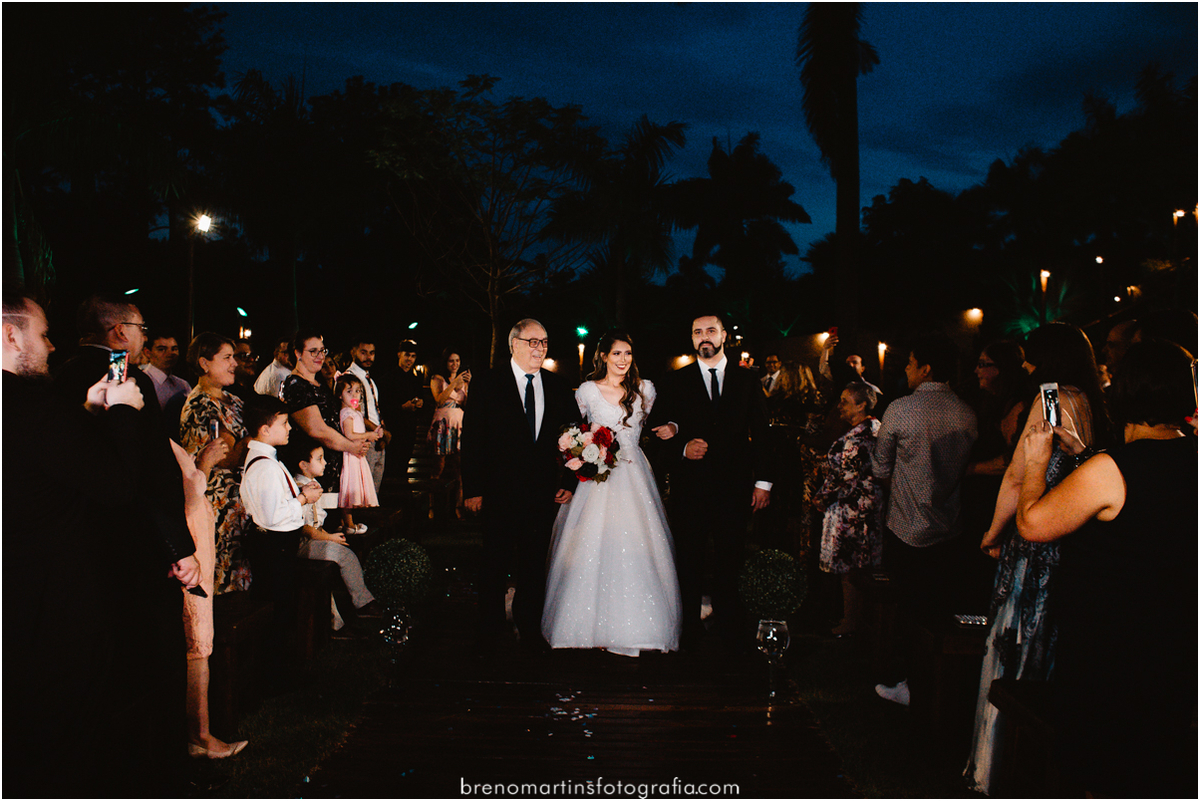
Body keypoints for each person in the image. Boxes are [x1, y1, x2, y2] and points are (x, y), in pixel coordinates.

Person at [1014, 339, 1196, 798]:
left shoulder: (1115, 468)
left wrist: (1037, 464)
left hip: (1115, 655)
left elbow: (1034, 525)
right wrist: (1080, 455)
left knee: (1104, 769)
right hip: (1179, 650)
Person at [3, 288, 160, 795]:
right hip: (51, 605)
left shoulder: (31, 409)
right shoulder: (31, 405)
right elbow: (114, 486)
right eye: (43, 335)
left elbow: (42, 465)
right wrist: (121, 410)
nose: (51, 347)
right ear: (10, 334)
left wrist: (86, 412)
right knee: (61, 741)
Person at [965, 323, 1109, 793]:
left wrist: (991, 532)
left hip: (1036, 539)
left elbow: (1015, 475)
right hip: (1072, 538)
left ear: (1049, 357)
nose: (1024, 363)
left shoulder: (1048, 398)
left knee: (1014, 640)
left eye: (1031, 355)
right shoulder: (1091, 400)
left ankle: (997, 765)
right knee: (1049, 643)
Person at [542, 332, 682, 656]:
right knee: (590, 545)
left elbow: (665, 419)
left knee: (636, 544)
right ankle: (582, 625)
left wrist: (673, 427)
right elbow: (573, 431)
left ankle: (638, 627)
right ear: (603, 356)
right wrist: (582, 455)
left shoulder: (644, 390)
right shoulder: (588, 390)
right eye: (616, 353)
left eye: (628, 354)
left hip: (634, 473)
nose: (623, 360)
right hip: (596, 479)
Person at [646, 313, 772, 651]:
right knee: (688, 560)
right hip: (691, 489)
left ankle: (731, 630)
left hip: (734, 489)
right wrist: (682, 447)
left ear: (723, 336)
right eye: (697, 332)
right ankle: (687, 630)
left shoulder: (748, 380)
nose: (704, 337)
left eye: (711, 331)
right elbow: (657, 431)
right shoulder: (675, 381)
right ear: (691, 338)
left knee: (731, 559)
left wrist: (763, 482)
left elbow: (761, 433)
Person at [461, 319, 582, 652]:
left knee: (533, 562)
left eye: (544, 342)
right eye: (532, 342)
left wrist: (571, 480)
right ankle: (489, 628)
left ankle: (529, 626)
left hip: (542, 491)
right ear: (513, 344)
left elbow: (576, 437)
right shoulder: (488, 382)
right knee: (494, 561)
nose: (539, 348)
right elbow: (472, 439)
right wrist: (472, 488)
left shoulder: (558, 385)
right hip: (498, 491)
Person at [871, 333, 977, 707]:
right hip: (950, 526)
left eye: (911, 362)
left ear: (927, 368)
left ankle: (905, 681)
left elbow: (880, 467)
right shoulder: (966, 412)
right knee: (938, 607)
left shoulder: (900, 409)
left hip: (906, 526)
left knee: (906, 608)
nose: (906, 368)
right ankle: (938, 685)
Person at [170, 436, 249, 759]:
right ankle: (199, 736)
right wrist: (204, 462)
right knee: (196, 640)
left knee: (199, 638)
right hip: (187, 547)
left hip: (195, 543)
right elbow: (186, 491)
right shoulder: (145, 434)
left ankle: (198, 732)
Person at [239, 396, 324, 688]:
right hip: (274, 547)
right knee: (276, 611)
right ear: (264, 429)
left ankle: (277, 671)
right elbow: (273, 515)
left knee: (282, 609)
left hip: (279, 546)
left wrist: (297, 490)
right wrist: (303, 498)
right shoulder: (264, 466)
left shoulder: (269, 460)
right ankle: (272, 678)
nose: (290, 428)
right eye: (284, 423)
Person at [180, 333, 253, 594]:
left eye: (234, 357)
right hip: (221, 506)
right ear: (204, 363)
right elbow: (226, 458)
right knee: (228, 579)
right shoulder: (201, 404)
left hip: (244, 501)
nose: (234, 363)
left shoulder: (234, 401)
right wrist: (254, 440)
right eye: (227, 358)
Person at [287, 441, 382, 627]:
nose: (325, 463)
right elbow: (304, 528)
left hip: (310, 539)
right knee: (344, 555)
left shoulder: (312, 484)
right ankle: (362, 603)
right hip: (298, 543)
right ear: (303, 465)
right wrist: (330, 538)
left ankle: (337, 619)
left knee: (341, 552)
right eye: (319, 459)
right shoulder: (299, 488)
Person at [814, 382, 883, 636]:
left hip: (854, 510)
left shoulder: (862, 436)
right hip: (856, 506)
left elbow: (848, 476)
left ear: (861, 404)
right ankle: (851, 620)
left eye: (845, 401)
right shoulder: (864, 431)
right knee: (853, 568)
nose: (839, 406)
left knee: (852, 568)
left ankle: (852, 623)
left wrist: (822, 496)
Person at [279, 329, 371, 494]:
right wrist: (351, 446)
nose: (320, 356)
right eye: (313, 351)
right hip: (312, 470)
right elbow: (317, 430)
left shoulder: (319, 384)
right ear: (298, 353)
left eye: (322, 351)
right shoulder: (296, 386)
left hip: (332, 465)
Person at [334, 372, 382, 534]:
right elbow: (349, 435)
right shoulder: (346, 413)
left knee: (354, 488)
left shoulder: (354, 412)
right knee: (349, 489)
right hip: (350, 455)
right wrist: (367, 435)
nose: (355, 395)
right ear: (340, 395)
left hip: (357, 455)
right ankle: (349, 524)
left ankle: (347, 522)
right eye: (349, 391)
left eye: (358, 391)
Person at [344, 336, 390, 494]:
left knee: (373, 491)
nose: (368, 357)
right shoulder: (349, 379)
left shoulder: (367, 378)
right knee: (364, 491)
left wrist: (381, 430)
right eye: (363, 352)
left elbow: (374, 409)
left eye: (372, 353)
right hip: (363, 438)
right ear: (353, 352)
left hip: (376, 437)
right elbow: (355, 412)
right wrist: (379, 431)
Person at [429, 348, 470, 514]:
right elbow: (439, 400)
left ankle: (458, 507)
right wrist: (454, 383)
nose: (455, 364)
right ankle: (433, 507)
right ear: (445, 363)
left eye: (457, 361)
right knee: (438, 467)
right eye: (451, 361)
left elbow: (466, 404)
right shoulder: (437, 378)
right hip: (442, 424)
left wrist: (467, 385)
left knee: (460, 467)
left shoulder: (464, 382)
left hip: (458, 423)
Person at [141, 333, 191, 438]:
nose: (170, 353)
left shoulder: (183, 385)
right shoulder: (142, 382)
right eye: (161, 349)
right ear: (148, 352)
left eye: (174, 349)